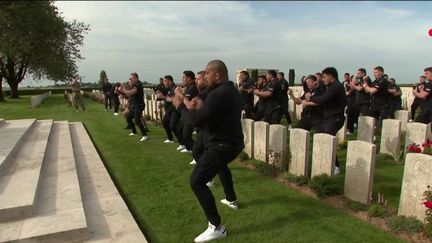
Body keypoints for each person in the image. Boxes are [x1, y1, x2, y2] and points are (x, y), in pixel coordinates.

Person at [172, 60, 244, 243]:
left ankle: (217, 227)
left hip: (222, 145)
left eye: (207, 74)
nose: (204, 77)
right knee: (216, 169)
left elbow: (195, 120)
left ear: (217, 75)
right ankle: (230, 199)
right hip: (226, 143)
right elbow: (200, 101)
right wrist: (190, 100)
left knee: (196, 181)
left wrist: (180, 104)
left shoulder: (220, 93)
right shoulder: (227, 89)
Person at [302, 67, 347, 175]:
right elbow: (320, 88)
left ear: (331, 76)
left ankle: (335, 166)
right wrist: (319, 83)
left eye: (324, 77)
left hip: (335, 118)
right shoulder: (330, 85)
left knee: (328, 139)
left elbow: (322, 99)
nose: (323, 79)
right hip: (328, 118)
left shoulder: (336, 87)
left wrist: (309, 98)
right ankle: (325, 163)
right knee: (322, 138)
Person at [117, 72, 148, 142]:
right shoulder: (133, 85)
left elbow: (132, 92)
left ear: (135, 78)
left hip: (139, 105)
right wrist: (121, 92)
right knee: (128, 117)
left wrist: (123, 90)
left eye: (131, 78)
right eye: (130, 79)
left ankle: (145, 135)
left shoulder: (138, 84)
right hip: (134, 105)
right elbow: (129, 95)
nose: (130, 80)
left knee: (137, 120)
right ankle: (134, 131)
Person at [160, 75, 184, 149]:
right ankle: (170, 139)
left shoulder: (175, 88)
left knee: (173, 126)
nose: (163, 83)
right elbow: (167, 99)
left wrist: (164, 97)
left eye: (165, 81)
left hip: (175, 111)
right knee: (164, 123)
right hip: (168, 110)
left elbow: (172, 99)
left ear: (170, 81)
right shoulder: (168, 89)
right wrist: (163, 102)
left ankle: (182, 143)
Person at [179, 70, 199, 153]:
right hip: (188, 113)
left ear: (188, 78)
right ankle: (189, 148)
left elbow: (186, 101)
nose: (182, 79)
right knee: (180, 129)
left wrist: (179, 93)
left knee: (187, 134)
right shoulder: (189, 87)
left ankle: (196, 152)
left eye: (183, 77)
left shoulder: (193, 87)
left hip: (192, 113)